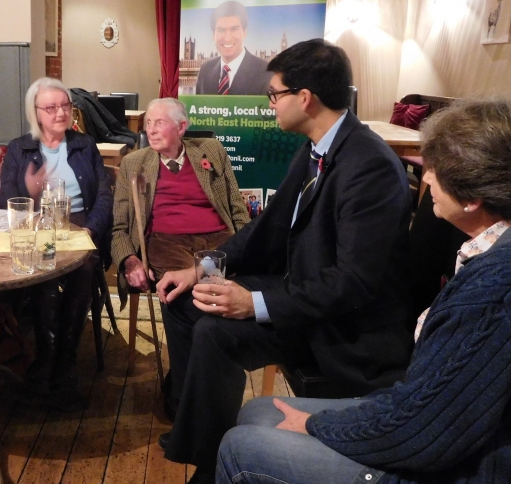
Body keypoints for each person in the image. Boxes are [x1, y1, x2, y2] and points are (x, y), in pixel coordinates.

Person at [155, 39, 414, 484]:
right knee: (187, 299)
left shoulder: (368, 165)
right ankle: (203, 443)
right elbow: (268, 228)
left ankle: (209, 463)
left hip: (343, 330)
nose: (270, 103)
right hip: (304, 297)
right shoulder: (315, 145)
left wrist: (253, 303)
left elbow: (351, 284)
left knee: (217, 326)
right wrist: (204, 267)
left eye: (274, 94)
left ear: (305, 98)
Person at [218, 98, 511, 484]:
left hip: (449, 466)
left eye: (436, 171)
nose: (424, 179)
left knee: (239, 447)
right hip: (415, 417)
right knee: (257, 413)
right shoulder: (487, 251)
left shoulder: (494, 290)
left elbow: (428, 434)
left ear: (473, 198)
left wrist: (318, 425)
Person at [0, 77, 112, 409]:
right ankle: (47, 361)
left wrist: (90, 230)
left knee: (80, 268)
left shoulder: (85, 145)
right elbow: (7, 199)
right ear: (35, 113)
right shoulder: (19, 148)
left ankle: (64, 367)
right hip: (37, 228)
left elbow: (104, 196)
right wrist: (30, 192)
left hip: (79, 224)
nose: (61, 112)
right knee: (47, 271)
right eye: (51, 107)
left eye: (65, 106)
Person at [111, 97, 249, 297]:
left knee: (224, 287)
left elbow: (237, 207)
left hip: (219, 238)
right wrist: (129, 259)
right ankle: (201, 325)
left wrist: (246, 243)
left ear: (180, 127)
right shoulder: (133, 163)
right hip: (166, 242)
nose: (151, 130)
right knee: (187, 287)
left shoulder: (211, 150)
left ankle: (208, 326)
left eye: (159, 123)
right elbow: (119, 226)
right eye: (148, 122)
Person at [195, 1, 273, 96]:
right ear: (213, 35)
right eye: (221, 30)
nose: (227, 38)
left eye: (234, 29)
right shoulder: (205, 70)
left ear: (245, 32)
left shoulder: (265, 72)